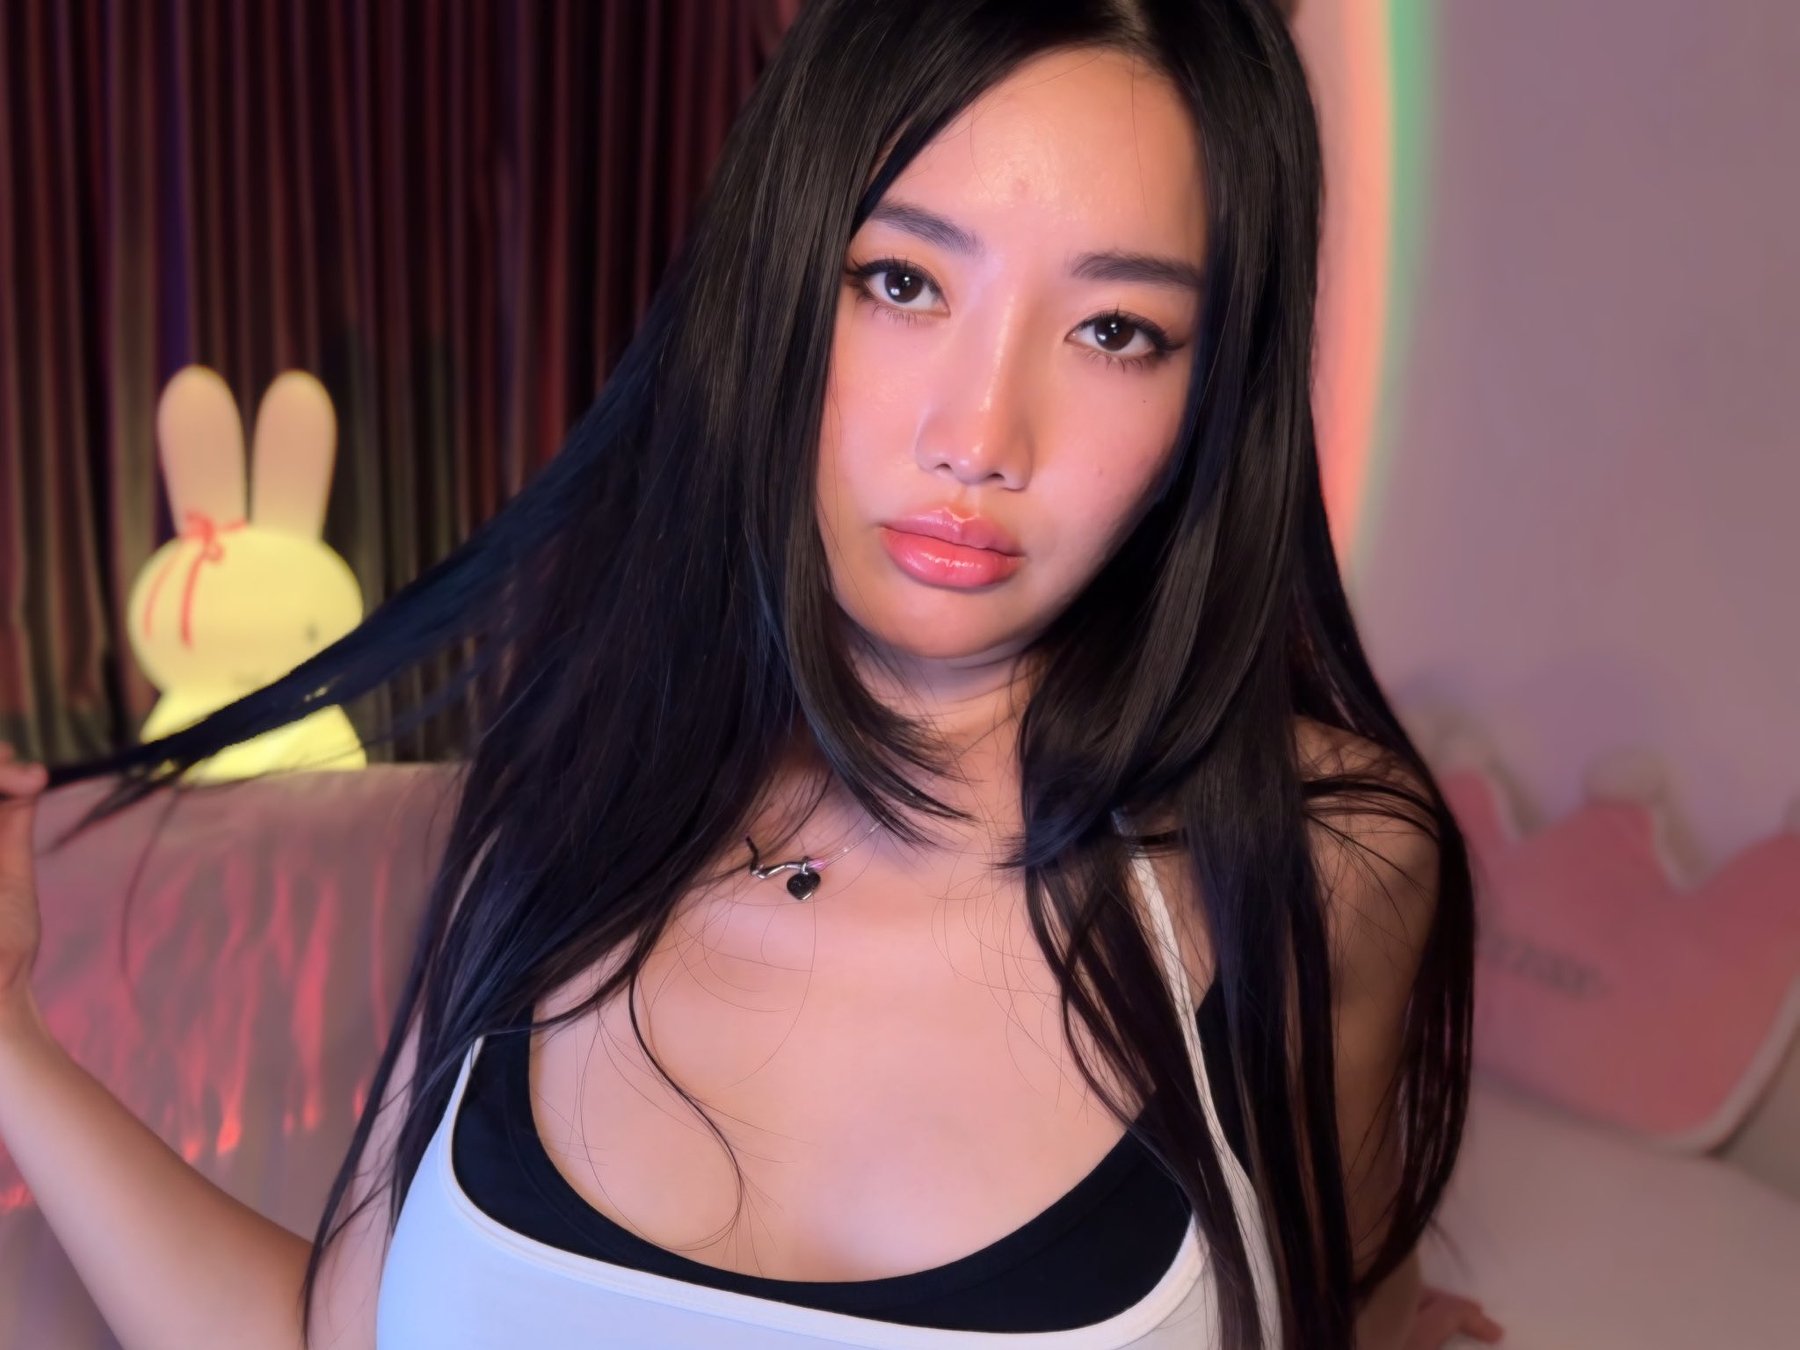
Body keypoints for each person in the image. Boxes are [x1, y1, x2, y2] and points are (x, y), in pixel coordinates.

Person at [0, 2, 1507, 1346]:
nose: (980, 436)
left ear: (1215, 392)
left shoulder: (1321, 864)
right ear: (776, 281)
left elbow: (1333, 1304)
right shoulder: (579, 804)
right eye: (902, 281)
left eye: (1116, 329)